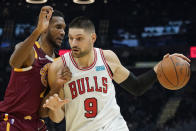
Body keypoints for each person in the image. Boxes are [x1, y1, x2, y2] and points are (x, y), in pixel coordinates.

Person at [43, 16, 191, 131]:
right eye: (71, 38)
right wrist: (55, 109)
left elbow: (137, 87)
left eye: (79, 38)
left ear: (93, 38)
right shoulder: (59, 66)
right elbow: (57, 118)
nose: (74, 43)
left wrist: (160, 67)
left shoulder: (107, 58)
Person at [0, 6, 71, 131]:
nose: (63, 32)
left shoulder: (58, 63)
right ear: (45, 29)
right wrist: (37, 30)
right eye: (58, 27)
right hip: (13, 120)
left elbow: (43, 112)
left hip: (36, 123)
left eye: (64, 28)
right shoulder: (31, 50)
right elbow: (14, 62)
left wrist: (57, 85)